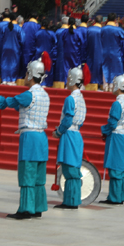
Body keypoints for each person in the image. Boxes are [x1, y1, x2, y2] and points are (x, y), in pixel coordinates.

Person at [0, 57, 50, 220]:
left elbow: (9, 102)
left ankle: (26, 209)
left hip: (30, 138)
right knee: (39, 176)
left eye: (26, 74)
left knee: (27, 174)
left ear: (31, 75)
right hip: (42, 138)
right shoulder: (45, 95)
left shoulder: (28, 95)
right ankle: (37, 207)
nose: (24, 77)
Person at [53, 65, 87, 210]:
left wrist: (58, 132)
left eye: (68, 78)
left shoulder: (70, 99)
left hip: (69, 134)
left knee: (70, 170)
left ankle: (71, 201)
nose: (66, 81)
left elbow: (67, 120)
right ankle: (71, 199)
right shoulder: (81, 99)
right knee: (73, 168)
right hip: (77, 134)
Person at [100, 74, 124, 205]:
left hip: (117, 135)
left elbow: (112, 123)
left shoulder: (117, 103)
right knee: (122, 167)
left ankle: (114, 197)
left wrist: (104, 130)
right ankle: (121, 195)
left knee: (115, 166)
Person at [101, 15, 124, 91]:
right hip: (115, 52)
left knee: (105, 68)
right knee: (115, 68)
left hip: (104, 52)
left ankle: (105, 85)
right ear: (115, 20)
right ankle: (113, 85)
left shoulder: (102, 29)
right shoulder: (118, 29)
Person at [0, 14, 24, 85]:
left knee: (4, 63)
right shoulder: (18, 28)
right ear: (16, 19)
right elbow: (22, 39)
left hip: (5, 47)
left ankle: (4, 79)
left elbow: (1, 38)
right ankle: (12, 79)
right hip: (15, 47)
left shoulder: (4, 27)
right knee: (14, 63)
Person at [33, 18, 57, 87]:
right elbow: (55, 45)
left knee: (38, 68)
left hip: (38, 53)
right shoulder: (51, 33)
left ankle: (38, 82)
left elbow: (34, 44)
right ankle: (47, 83)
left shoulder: (37, 33)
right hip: (49, 53)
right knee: (47, 69)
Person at [86, 17, 104, 88]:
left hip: (89, 52)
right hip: (100, 53)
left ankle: (90, 82)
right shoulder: (103, 30)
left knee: (90, 67)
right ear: (101, 22)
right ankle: (99, 83)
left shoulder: (88, 29)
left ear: (95, 21)